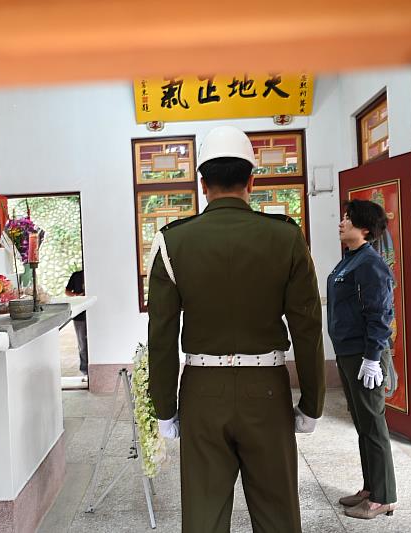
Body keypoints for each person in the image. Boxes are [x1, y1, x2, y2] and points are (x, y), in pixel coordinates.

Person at [147, 126, 325, 533]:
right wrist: (312, 401)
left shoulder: (172, 242)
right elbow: (308, 328)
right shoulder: (286, 238)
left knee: (204, 518)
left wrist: (165, 408)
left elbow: (162, 336)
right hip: (267, 392)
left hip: (202, 392)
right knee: (278, 515)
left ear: (202, 184)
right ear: (251, 181)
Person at [327, 199, 397, 520]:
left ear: (365, 229)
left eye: (348, 219)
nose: (342, 223)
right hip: (348, 353)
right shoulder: (351, 260)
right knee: (362, 424)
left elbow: (380, 314)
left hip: (364, 355)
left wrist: (372, 358)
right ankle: (371, 488)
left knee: (373, 425)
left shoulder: (370, 263)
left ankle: (384, 497)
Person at [65, 269, 88, 379]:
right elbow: (67, 291)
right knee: (82, 344)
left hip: (94, 314)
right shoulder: (76, 275)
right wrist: (77, 296)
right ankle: (85, 371)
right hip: (79, 316)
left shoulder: (95, 274)